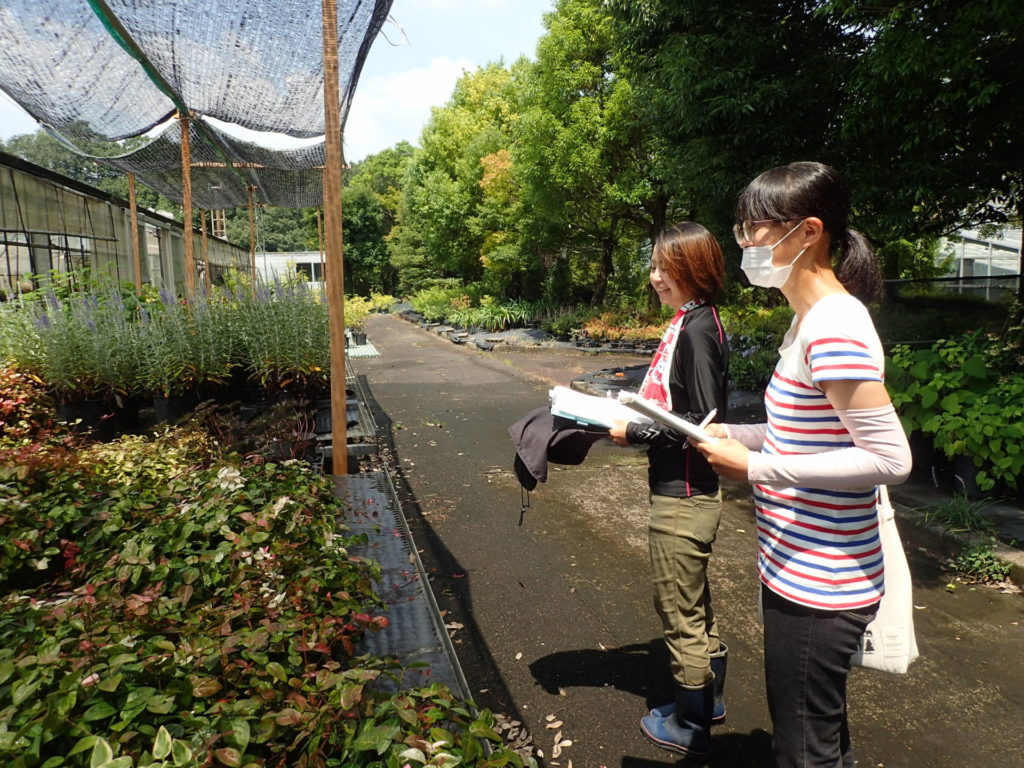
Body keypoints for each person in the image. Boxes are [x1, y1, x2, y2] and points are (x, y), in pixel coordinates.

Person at [695, 161, 912, 768]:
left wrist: (758, 470)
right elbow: (799, 431)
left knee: (803, 750)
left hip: (824, 584)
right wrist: (725, 434)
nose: (744, 245)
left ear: (808, 230)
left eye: (752, 230)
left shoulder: (834, 327)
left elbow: (890, 458)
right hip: (800, 567)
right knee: (818, 733)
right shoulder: (807, 321)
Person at [608, 222, 730, 760]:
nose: (656, 277)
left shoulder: (698, 328)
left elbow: (703, 423)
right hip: (683, 489)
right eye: (654, 266)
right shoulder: (692, 321)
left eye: (666, 267)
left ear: (694, 268)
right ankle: (710, 702)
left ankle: (690, 724)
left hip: (682, 495)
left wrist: (632, 430)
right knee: (694, 603)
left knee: (678, 611)